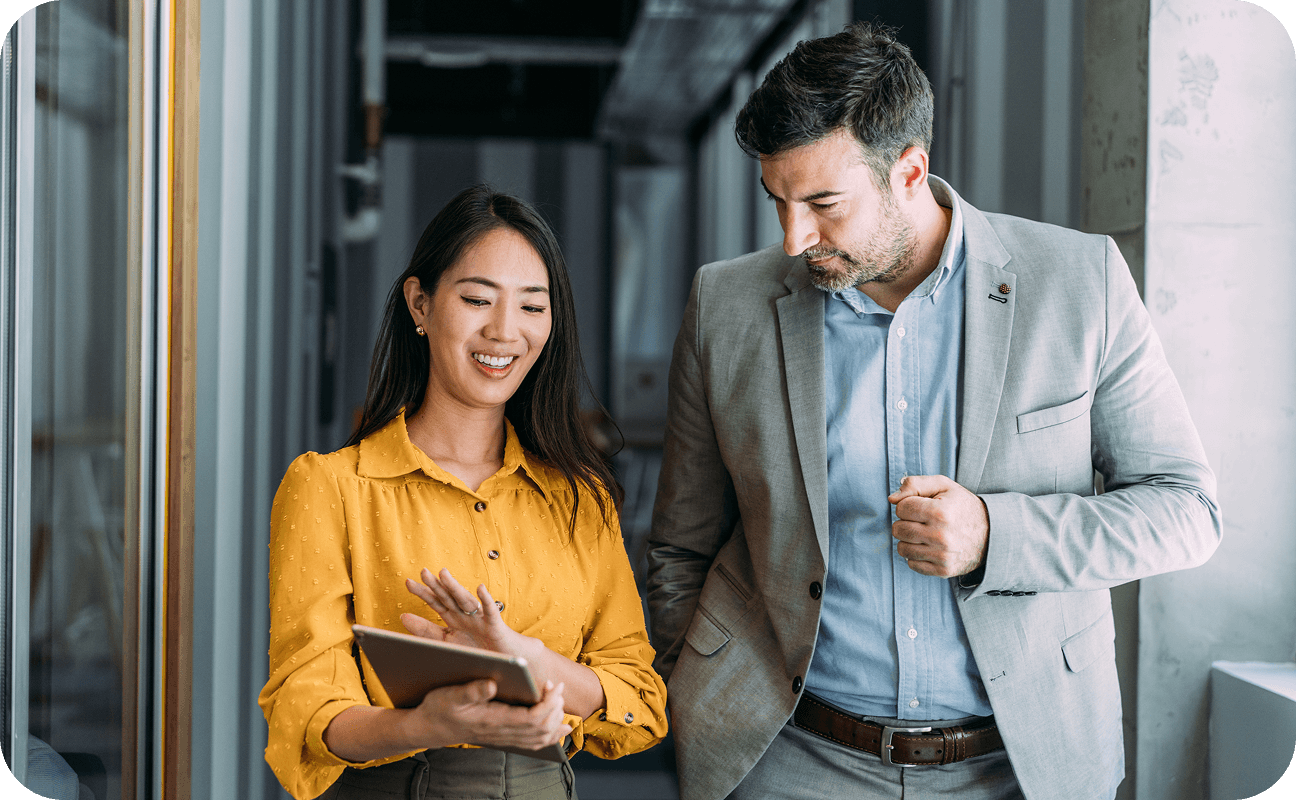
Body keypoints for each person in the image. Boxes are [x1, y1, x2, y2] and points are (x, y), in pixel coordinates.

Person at [645, 21, 1220, 800]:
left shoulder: (1081, 284)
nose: (792, 239)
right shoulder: (726, 305)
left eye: (822, 203)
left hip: (1022, 766)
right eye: (777, 200)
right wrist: (692, 684)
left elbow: (1186, 510)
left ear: (909, 171)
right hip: (789, 761)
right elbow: (681, 545)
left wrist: (997, 535)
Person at [259, 186, 668, 800]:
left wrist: (530, 661)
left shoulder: (580, 498)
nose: (505, 331)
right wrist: (426, 724)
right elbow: (305, 709)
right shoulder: (331, 488)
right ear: (419, 304)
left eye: (533, 306)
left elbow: (640, 702)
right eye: (477, 299)